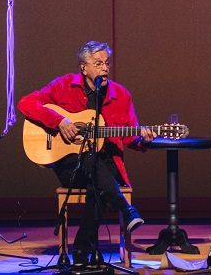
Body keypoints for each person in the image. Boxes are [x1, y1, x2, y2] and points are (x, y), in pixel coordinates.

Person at [18, 40, 152, 265]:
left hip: (106, 164)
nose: (105, 68)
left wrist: (143, 139)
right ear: (84, 67)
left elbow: (131, 137)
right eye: (98, 63)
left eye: (107, 63)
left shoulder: (121, 95)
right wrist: (58, 121)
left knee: (97, 179)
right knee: (90, 160)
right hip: (70, 165)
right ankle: (125, 209)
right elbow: (26, 103)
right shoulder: (64, 85)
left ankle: (81, 250)